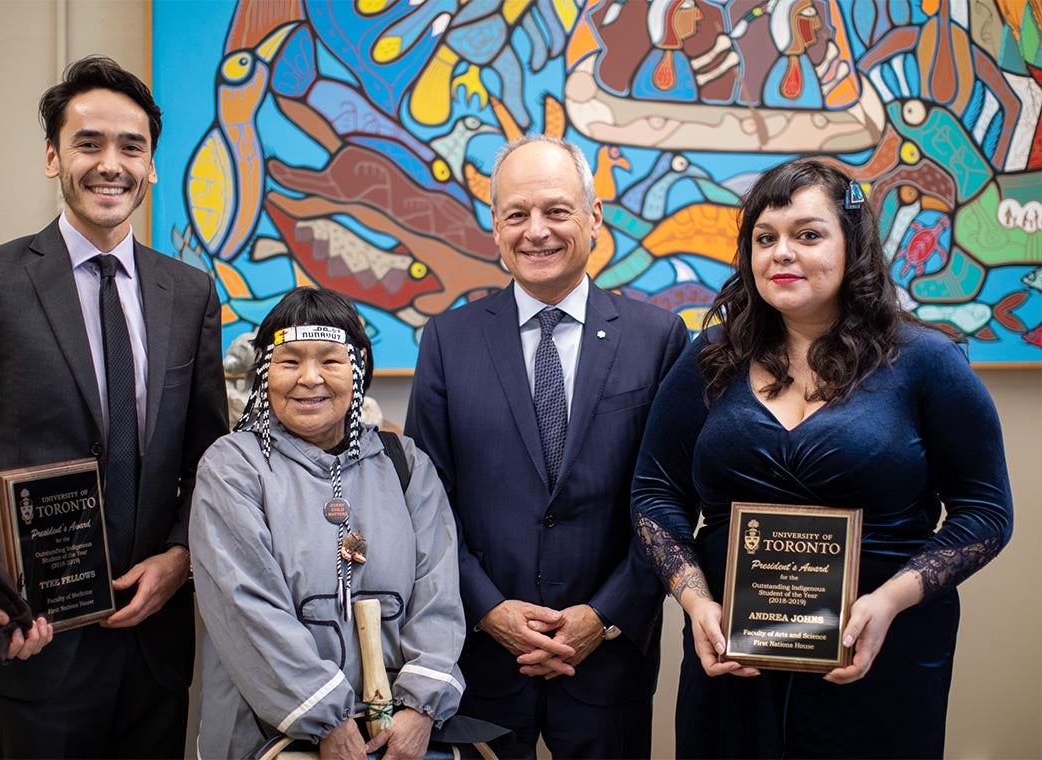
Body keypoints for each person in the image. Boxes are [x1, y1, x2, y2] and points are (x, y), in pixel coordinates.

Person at [631, 158, 1013, 758]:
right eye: (765, 238)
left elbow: (986, 512)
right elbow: (654, 493)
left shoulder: (927, 361)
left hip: (879, 653)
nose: (781, 253)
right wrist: (694, 598)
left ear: (852, 246)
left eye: (807, 235)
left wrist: (890, 601)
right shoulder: (710, 356)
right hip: (736, 660)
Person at [0, 55, 228, 757]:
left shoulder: (192, 293)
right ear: (53, 157)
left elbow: (211, 460)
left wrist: (180, 559)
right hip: (35, 644)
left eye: (131, 147)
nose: (110, 164)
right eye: (89, 143)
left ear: (153, 167)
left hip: (153, 647)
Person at [405, 135, 689, 758]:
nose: (536, 231)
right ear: (495, 228)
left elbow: (672, 501)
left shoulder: (658, 338)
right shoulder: (448, 342)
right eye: (516, 214)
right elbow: (426, 503)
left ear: (593, 218)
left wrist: (605, 614)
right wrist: (488, 609)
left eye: (557, 211)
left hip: (608, 659)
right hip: (479, 655)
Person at [191, 287, 466, 760]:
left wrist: (420, 710)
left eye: (330, 361)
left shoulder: (405, 464)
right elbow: (247, 607)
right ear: (264, 372)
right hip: (271, 737)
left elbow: (437, 593)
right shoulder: (233, 467)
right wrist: (327, 720)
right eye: (289, 361)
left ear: (358, 365)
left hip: (397, 738)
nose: (309, 378)